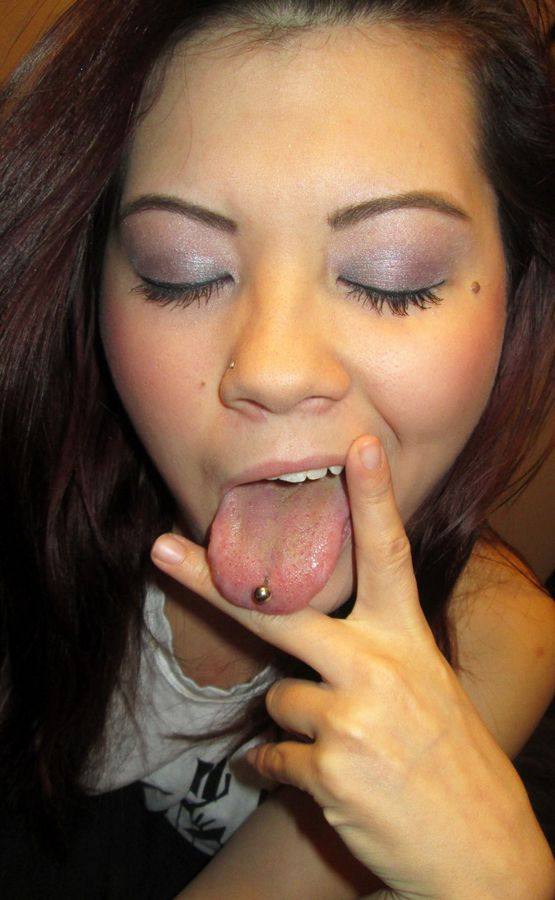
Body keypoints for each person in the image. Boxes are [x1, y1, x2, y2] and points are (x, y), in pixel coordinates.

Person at [1, 0, 554, 896]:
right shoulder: (26, 491)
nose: (274, 369)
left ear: (515, 288)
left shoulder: (493, 639)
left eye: (391, 275)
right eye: (180, 270)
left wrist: (501, 883)